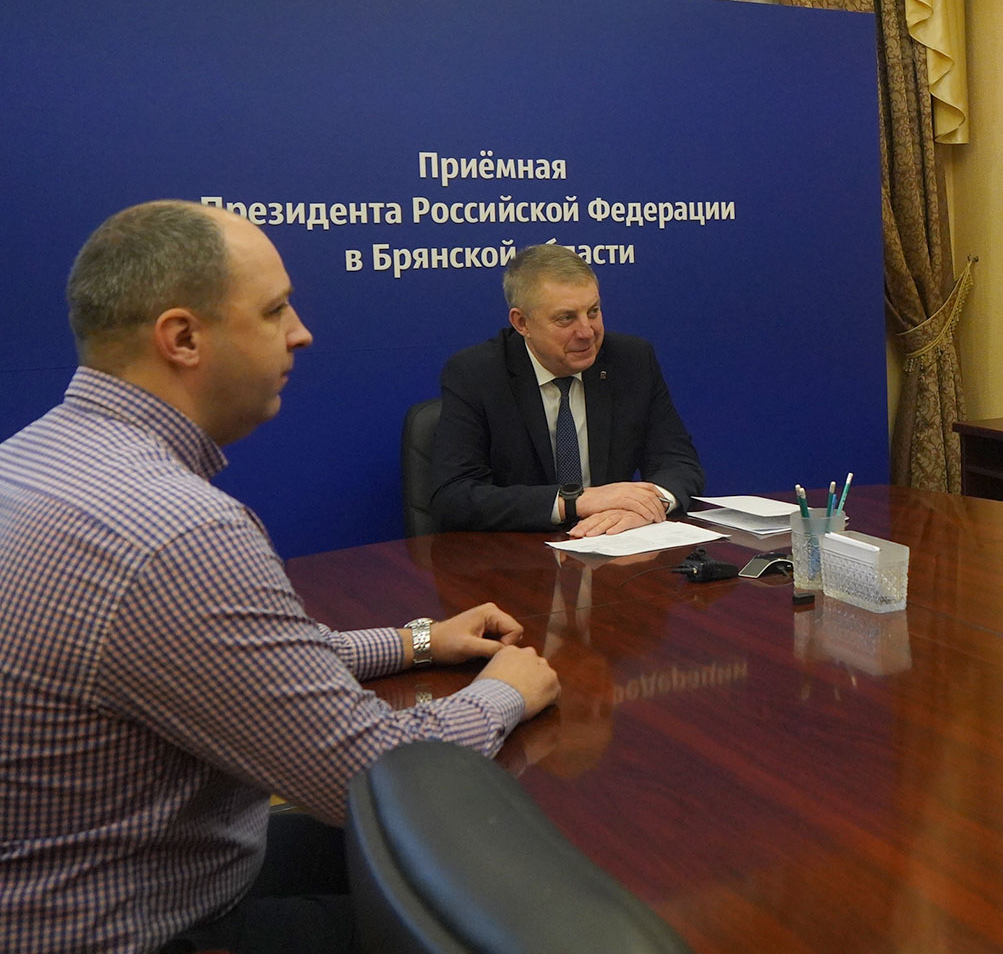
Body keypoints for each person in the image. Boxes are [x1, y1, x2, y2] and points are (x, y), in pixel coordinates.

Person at [0, 201, 561, 954]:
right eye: (274, 310)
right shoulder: (181, 532)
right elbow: (370, 776)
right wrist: (504, 693)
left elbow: (234, 663)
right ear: (182, 338)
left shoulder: (33, 459)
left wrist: (419, 641)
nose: (301, 332)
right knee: (500, 908)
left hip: (94, 872)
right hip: (127, 924)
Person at [431, 244, 704, 537]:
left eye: (593, 311)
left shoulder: (631, 360)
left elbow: (679, 462)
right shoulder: (477, 374)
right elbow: (454, 496)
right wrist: (574, 502)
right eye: (566, 318)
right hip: (518, 551)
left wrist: (646, 505)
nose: (587, 332)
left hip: (612, 545)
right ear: (522, 323)